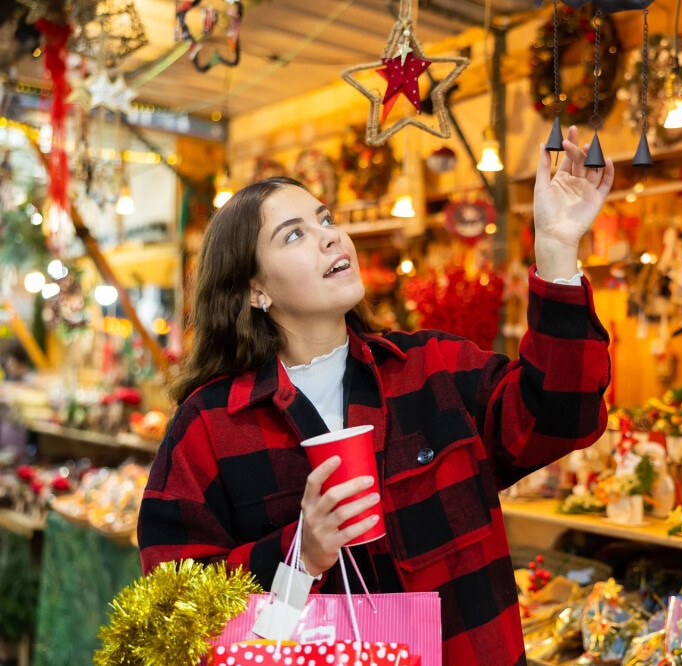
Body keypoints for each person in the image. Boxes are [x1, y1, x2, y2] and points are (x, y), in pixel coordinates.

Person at [137, 125, 614, 666]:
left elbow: (563, 414)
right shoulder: (213, 425)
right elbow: (169, 606)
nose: (330, 237)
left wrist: (555, 248)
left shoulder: (431, 370)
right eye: (293, 235)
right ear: (254, 289)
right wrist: (298, 555)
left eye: (325, 220)